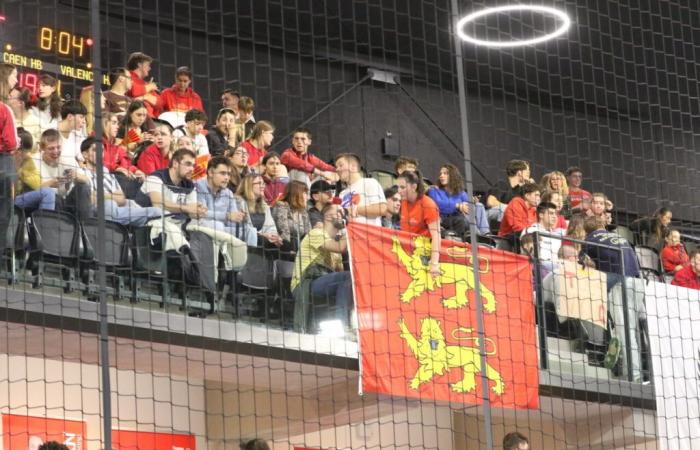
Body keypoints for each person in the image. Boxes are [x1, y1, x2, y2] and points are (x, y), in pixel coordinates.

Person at [290, 203, 352, 332]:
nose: (344, 215)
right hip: (304, 283)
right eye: (340, 212)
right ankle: (343, 325)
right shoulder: (316, 233)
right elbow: (340, 248)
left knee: (351, 279)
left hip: (322, 281)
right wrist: (350, 227)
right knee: (347, 276)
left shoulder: (335, 240)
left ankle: (350, 325)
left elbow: (338, 272)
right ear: (329, 217)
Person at [80, 137, 162, 226]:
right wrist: (111, 197)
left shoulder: (108, 174)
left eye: (102, 150)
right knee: (108, 204)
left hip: (118, 210)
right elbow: (88, 198)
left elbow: (121, 199)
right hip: (96, 213)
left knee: (157, 212)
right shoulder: (79, 173)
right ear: (85, 154)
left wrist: (98, 194)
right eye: (96, 150)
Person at [190, 156, 250, 269]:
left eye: (228, 174)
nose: (227, 178)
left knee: (249, 231)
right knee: (217, 226)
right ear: (211, 172)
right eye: (223, 173)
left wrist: (240, 217)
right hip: (200, 228)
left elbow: (232, 220)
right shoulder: (197, 187)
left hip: (222, 230)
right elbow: (202, 214)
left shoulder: (228, 193)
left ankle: (240, 272)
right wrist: (227, 216)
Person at [33, 129, 92, 220]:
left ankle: (85, 228)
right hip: (46, 203)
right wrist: (50, 183)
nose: (56, 151)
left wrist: (77, 175)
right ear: (42, 148)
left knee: (83, 187)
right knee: (53, 196)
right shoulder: (34, 161)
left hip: (66, 201)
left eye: (58, 147)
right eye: (51, 148)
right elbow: (32, 190)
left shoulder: (67, 158)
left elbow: (87, 181)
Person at [397, 170, 441, 277]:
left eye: (402, 187)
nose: (399, 191)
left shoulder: (428, 204)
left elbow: (437, 236)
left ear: (414, 187)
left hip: (423, 255)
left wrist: (434, 264)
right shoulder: (402, 202)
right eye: (397, 187)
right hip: (406, 250)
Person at [427, 163, 490, 236]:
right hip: (444, 219)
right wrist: (457, 206)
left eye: (445, 173)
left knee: (479, 206)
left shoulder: (460, 192)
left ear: (453, 176)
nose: (441, 176)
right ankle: (477, 235)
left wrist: (473, 201)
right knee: (464, 212)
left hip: (459, 217)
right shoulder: (434, 190)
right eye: (441, 174)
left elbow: (467, 202)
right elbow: (438, 205)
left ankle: (485, 233)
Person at [582, 215, 640, 285]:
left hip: (613, 279)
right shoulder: (618, 236)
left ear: (587, 231)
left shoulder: (590, 239)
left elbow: (581, 259)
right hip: (633, 277)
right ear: (603, 226)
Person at [335, 153, 387, 226]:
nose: (337, 169)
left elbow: (382, 209)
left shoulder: (370, 182)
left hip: (369, 235)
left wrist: (353, 210)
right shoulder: (342, 193)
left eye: (341, 165)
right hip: (349, 235)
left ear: (353, 167)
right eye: (336, 167)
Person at [13, 128, 55, 212]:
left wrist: (21, 172)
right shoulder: (4, 159)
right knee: (48, 193)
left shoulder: (27, 161)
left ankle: (43, 223)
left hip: (18, 199)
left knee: (49, 193)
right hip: (5, 201)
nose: (28, 154)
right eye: (25, 151)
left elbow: (36, 184)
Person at [235, 173, 282, 247]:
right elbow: (243, 230)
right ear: (249, 185)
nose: (263, 186)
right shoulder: (239, 202)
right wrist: (263, 235)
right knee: (266, 242)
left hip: (263, 238)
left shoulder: (264, 205)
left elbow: (270, 226)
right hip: (246, 240)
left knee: (284, 243)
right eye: (259, 183)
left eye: (263, 183)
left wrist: (274, 236)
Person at [0, 63, 18, 249]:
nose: (17, 80)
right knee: (3, 215)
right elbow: (11, 143)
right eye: (14, 75)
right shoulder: (4, 108)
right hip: (3, 164)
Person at [522, 202, 565, 272]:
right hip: (537, 268)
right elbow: (528, 254)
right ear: (541, 215)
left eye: (555, 214)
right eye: (551, 213)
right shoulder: (530, 231)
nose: (554, 216)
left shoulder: (557, 235)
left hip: (556, 269)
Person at [271, 180, 312, 252]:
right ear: (296, 194)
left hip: (300, 250)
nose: (308, 198)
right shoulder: (281, 206)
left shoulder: (303, 211)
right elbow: (284, 233)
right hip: (284, 249)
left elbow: (308, 234)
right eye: (305, 193)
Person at [126, 52, 161, 117]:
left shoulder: (145, 83)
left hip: (150, 118)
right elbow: (132, 91)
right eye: (147, 65)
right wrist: (147, 95)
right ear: (139, 65)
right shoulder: (127, 77)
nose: (149, 68)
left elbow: (159, 104)